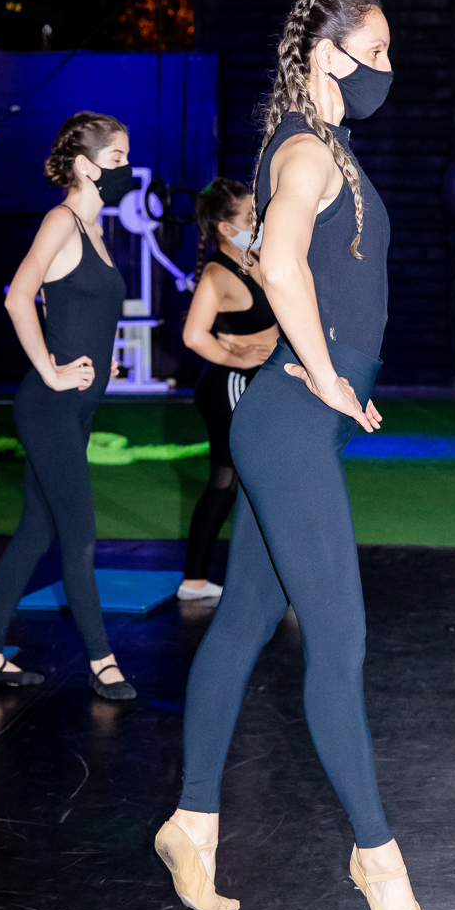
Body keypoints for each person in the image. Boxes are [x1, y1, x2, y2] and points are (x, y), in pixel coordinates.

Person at [155, 0, 442, 910]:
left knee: (242, 622)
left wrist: (339, 383)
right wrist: (323, 376)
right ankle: (377, 860)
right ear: (329, 54)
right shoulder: (308, 149)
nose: (388, 70)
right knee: (341, 640)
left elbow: (330, 286)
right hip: (286, 423)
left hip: (299, 419)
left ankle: (192, 824)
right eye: (378, 51)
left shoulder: (325, 145)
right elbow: (276, 267)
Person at [0, 112, 137, 701]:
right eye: (117, 159)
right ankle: (103, 662)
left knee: (35, 531)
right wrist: (50, 369)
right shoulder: (61, 220)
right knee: (79, 534)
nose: (127, 168)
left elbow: (78, 312)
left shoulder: (95, 229)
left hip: (77, 407)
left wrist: (100, 362)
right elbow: (17, 297)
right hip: (49, 407)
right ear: (86, 165)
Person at [177, 179, 278, 602]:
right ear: (225, 227)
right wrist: (236, 358)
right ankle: (271, 584)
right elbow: (193, 335)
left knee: (227, 480)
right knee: (256, 480)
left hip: (251, 383)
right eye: (250, 216)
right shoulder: (219, 273)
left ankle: (194, 581)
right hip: (230, 386)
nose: (259, 220)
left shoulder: (255, 258)